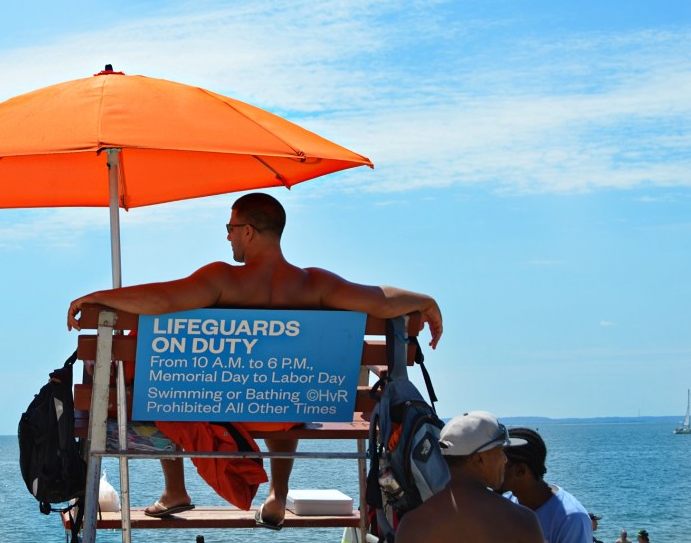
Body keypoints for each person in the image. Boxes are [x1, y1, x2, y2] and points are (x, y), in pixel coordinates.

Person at [67, 192, 443, 528]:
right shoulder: (314, 284)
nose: (228, 237)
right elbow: (379, 299)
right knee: (286, 386)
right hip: (289, 411)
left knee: (164, 375)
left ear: (247, 231)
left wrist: (98, 297)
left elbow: (162, 300)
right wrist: (426, 301)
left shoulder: (223, 280)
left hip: (226, 409)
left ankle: (175, 489)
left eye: (230, 228)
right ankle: (278, 494)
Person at [394, 411, 544, 543]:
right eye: (500, 451)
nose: (505, 459)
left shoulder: (411, 525)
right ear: (480, 459)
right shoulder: (522, 521)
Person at [498, 427, 592, 543]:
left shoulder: (571, 518)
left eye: (499, 462)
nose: (491, 467)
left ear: (521, 470)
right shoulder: (505, 505)